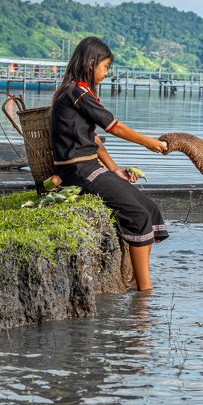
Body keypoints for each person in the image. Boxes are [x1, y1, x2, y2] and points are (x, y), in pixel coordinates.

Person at [50, 36, 168, 292]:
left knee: (149, 208)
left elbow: (92, 137)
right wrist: (149, 143)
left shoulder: (80, 92)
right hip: (79, 172)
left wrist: (114, 169)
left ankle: (138, 280)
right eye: (105, 67)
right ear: (91, 64)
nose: (106, 74)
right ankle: (145, 292)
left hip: (92, 167)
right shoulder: (76, 92)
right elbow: (113, 127)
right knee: (137, 215)